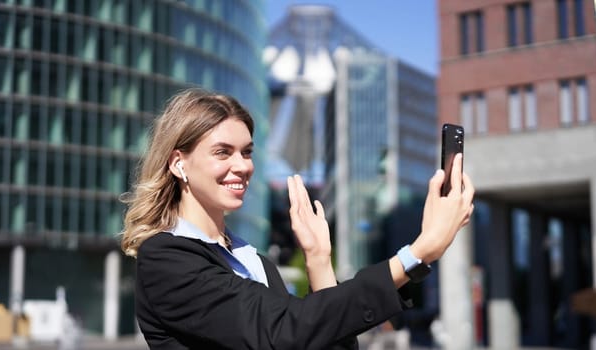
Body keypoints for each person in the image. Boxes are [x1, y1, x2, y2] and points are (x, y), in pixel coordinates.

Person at [120, 88, 475, 349]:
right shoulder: (165, 258)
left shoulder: (255, 262)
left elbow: (322, 339)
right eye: (222, 152)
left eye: (247, 152)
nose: (242, 166)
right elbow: (282, 329)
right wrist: (417, 254)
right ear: (179, 162)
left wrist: (319, 263)